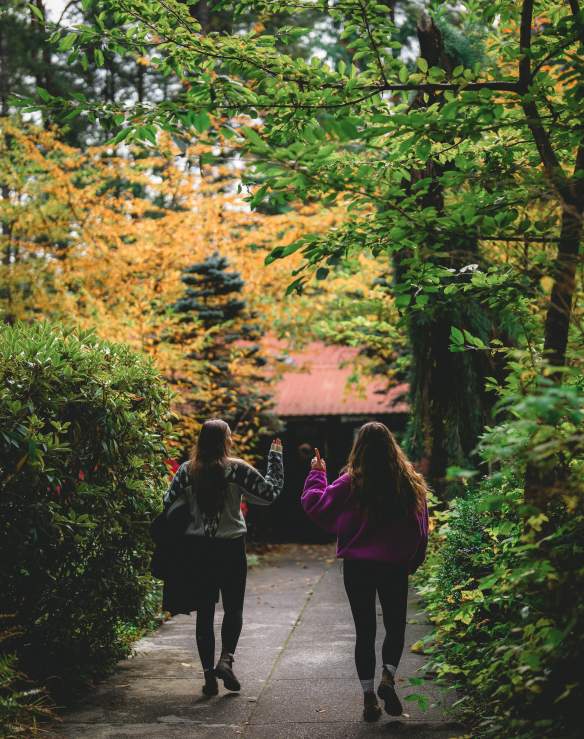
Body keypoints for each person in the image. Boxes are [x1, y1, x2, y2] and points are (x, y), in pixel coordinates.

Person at [301, 422, 429, 722]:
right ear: (392, 446)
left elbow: (316, 504)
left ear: (359, 448)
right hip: (394, 566)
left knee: (365, 631)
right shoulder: (409, 482)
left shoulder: (351, 482)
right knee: (396, 626)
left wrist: (317, 472)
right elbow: (422, 528)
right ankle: (388, 675)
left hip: (358, 568)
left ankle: (369, 697)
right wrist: (414, 559)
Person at [163, 419, 284, 696]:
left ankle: (208, 676)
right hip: (230, 547)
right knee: (233, 608)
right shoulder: (237, 469)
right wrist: (275, 459)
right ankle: (226, 660)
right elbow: (269, 494)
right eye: (229, 436)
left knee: (204, 613)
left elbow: (167, 502)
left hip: (197, 550)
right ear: (225, 440)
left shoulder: (186, 471)